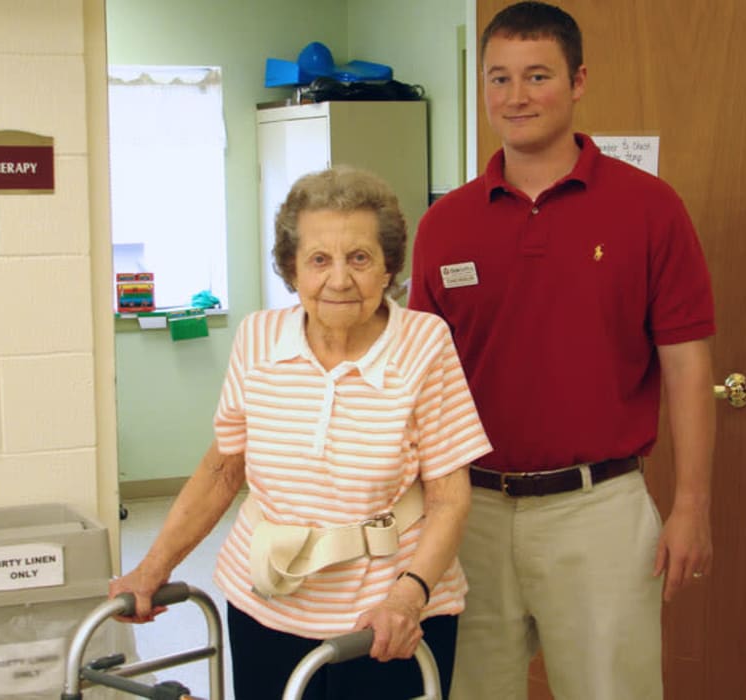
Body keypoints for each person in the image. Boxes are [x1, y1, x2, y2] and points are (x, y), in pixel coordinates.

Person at [408, 2, 716, 698]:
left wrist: (692, 505)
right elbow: (419, 377)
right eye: (499, 79)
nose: (516, 97)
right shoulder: (444, 225)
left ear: (578, 82)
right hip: (468, 512)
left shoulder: (649, 208)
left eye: (537, 76)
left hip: (598, 510)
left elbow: (689, 366)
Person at [111, 166, 492, 699]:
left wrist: (408, 598)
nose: (339, 279)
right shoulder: (258, 338)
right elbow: (223, 469)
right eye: (318, 260)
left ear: (389, 267)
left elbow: (451, 499)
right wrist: (151, 569)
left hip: (385, 616)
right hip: (265, 599)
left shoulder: (424, 344)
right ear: (291, 269)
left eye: (359, 258)